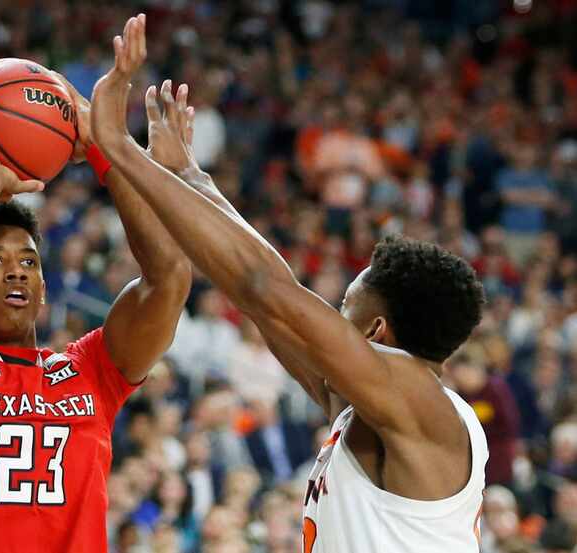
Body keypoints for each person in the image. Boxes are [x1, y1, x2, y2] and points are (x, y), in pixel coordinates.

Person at [91, 14, 488, 553]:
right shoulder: (369, 409)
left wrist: (117, 147)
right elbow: (262, 305)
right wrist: (192, 177)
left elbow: (265, 286)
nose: (326, 317)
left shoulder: (418, 400)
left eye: (342, 308)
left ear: (376, 328)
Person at [0, 62, 192, 550]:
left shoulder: (89, 369)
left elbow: (170, 278)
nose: (16, 271)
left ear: (45, 288)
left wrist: (102, 147)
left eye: (29, 262)